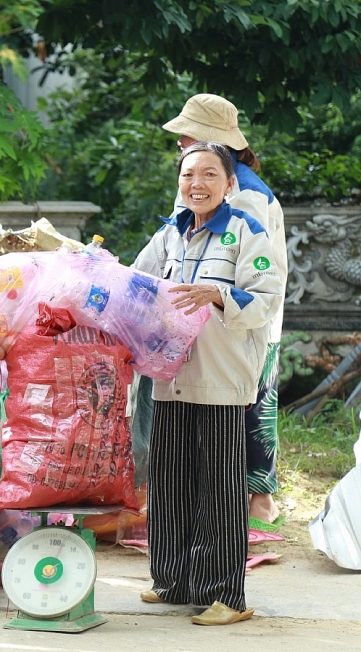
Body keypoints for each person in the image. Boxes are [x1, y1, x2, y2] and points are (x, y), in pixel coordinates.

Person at [134, 142, 282, 625]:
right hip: (172, 374)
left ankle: (226, 595)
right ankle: (174, 579)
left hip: (221, 376)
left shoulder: (246, 231)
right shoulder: (169, 235)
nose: (196, 183)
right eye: (188, 175)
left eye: (209, 174)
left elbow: (265, 299)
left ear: (229, 182)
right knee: (171, 479)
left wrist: (217, 294)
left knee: (219, 487)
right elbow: (136, 281)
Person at [162, 94, 288, 528]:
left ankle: (252, 503)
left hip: (237, 321)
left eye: (187, 135)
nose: (180, 142)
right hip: (209, 322)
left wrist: (215, 296)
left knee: (245, 410)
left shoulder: (244, 195)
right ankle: (243, 504)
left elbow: (252, 273)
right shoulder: (215, 180)